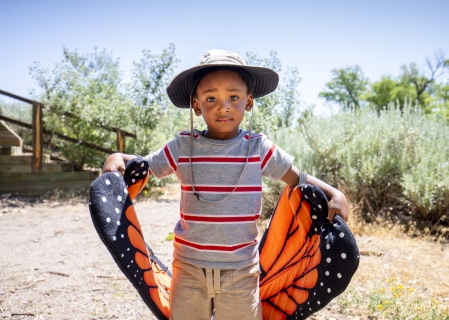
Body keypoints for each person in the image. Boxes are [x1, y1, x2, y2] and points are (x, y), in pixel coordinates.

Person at [102, 49, 349, 320]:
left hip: (241, 271)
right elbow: (142, 167)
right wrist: (117, 157)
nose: (224, 105)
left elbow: (299, 180)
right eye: (211, 98)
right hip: (188, 268)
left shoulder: (259, 148)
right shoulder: (183, 147)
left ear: (249, 102)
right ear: (196, 106)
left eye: (233, 97)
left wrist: (334, 193)